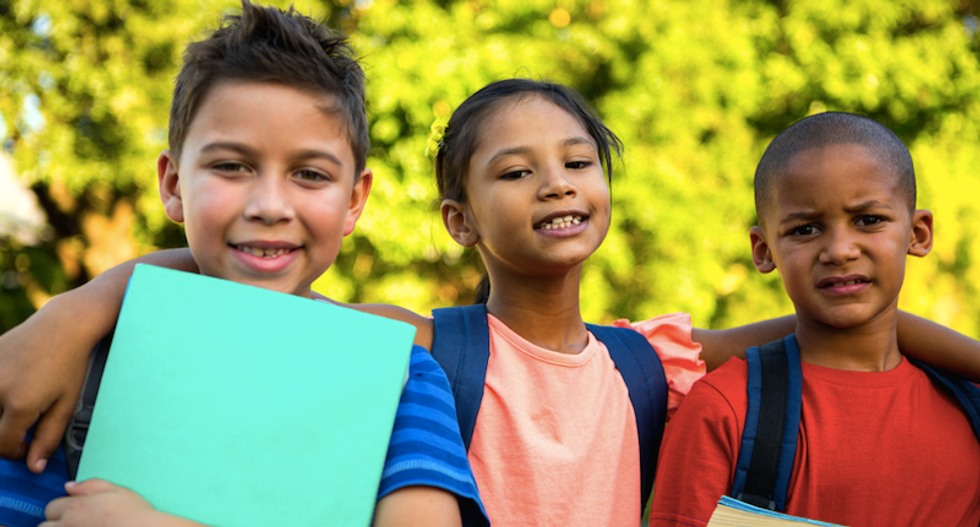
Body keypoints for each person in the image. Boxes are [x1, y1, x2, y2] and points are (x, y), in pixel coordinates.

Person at [3, 81, 980, 526]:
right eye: (514, 172)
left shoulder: (653, 359)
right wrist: (90, 298)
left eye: (575, 162)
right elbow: (244, 296)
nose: (553, 184)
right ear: (459, 219)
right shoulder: (421, 348)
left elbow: (822, 322)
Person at [0, 3, 487, 526]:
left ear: (353, 201)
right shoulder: (58, 362)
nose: (270, 205)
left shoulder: (402, 382)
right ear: (173, 185)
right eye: (232, 166)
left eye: (310, 174)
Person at [648, 112, 980, 527]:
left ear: (918, 233)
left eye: (868, 220)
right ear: (764, 250)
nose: (839, 250)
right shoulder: (727, 409)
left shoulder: (969, 406)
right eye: (806, 229)